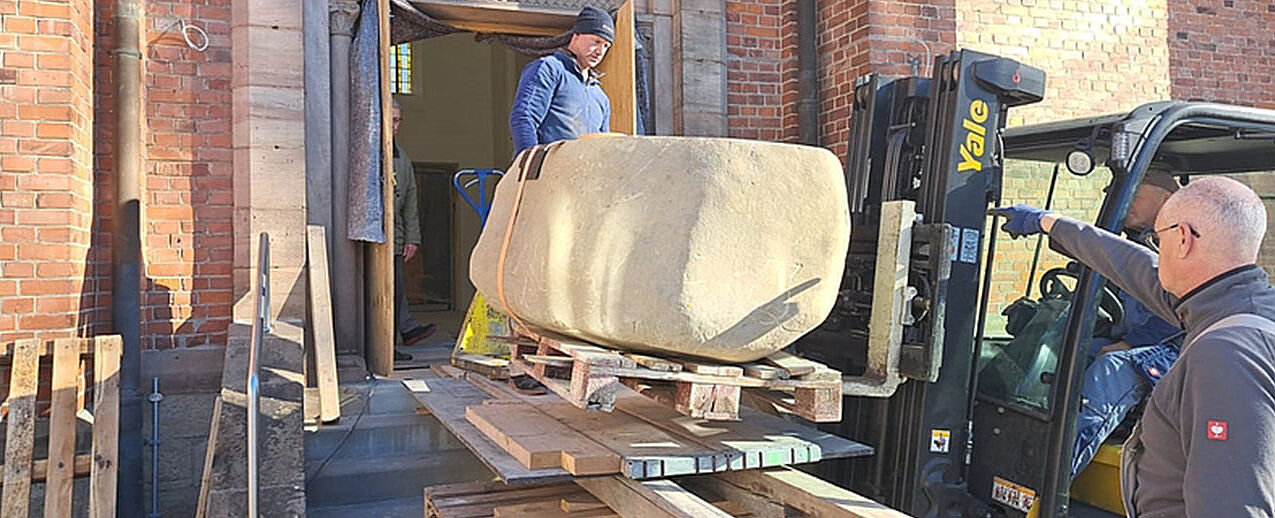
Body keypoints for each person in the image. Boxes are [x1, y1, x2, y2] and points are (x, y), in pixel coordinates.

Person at [990, 176, 1275, 517]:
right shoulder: (1224, 303)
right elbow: (1131, 264)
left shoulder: (1226, 356)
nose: (1155, 249)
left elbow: (1234, 508)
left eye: (1159, 237)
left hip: (1163, 358)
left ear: (1182, 239)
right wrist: (1046, 222)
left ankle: (1044, 483)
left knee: (1114, 368)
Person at [1071, 171, 1182, 479]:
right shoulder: (1133, 245)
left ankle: (1051, 477)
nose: (1129, 203)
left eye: (1137, 195)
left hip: (1178, 349)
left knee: (1112, 367)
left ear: (1166, 199)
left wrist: (1131, 343)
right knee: (1063, 347)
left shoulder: (1182, 244)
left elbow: (1180, 310)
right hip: (1140, 343)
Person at [509, 6, 614, 156]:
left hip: (585, 175)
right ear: (576, 36)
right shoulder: (550, 69)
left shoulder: (600, 96)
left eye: (606, 46)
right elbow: (524, 118)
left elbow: (603, 145)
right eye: (596, 41)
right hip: (548, 174)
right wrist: (531, 167)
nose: (600, 51)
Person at [391, 99, 436, 362]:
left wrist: (412, 238)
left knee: (395, 293)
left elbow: (409, 200)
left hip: (396, 240)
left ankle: (399, 337)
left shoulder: (402, 159)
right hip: (373, 240)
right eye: (391, 120)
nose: (395, 127)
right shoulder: (368, 152)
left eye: (398, 121)